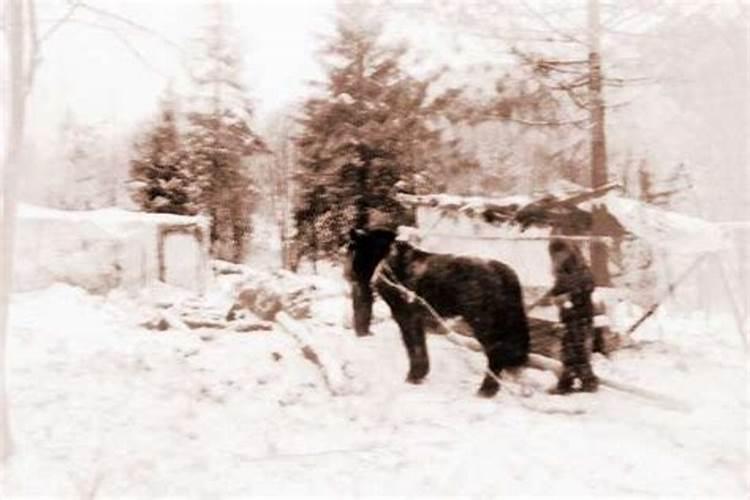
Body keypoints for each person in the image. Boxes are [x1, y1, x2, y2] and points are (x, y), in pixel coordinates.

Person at [542, 237, 600, 394]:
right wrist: (549, 298)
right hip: (569, 315)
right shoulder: (562, 271)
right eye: (555, 254)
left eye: (560, 253)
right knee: (569, 348)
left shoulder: (580, 268)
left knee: (577, 348)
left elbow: (588, 284)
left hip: (581, 313)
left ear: (568, 252)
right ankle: (570, 381)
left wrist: (569, 296)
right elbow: (557, 289)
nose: (558, 257)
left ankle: (585, 381)